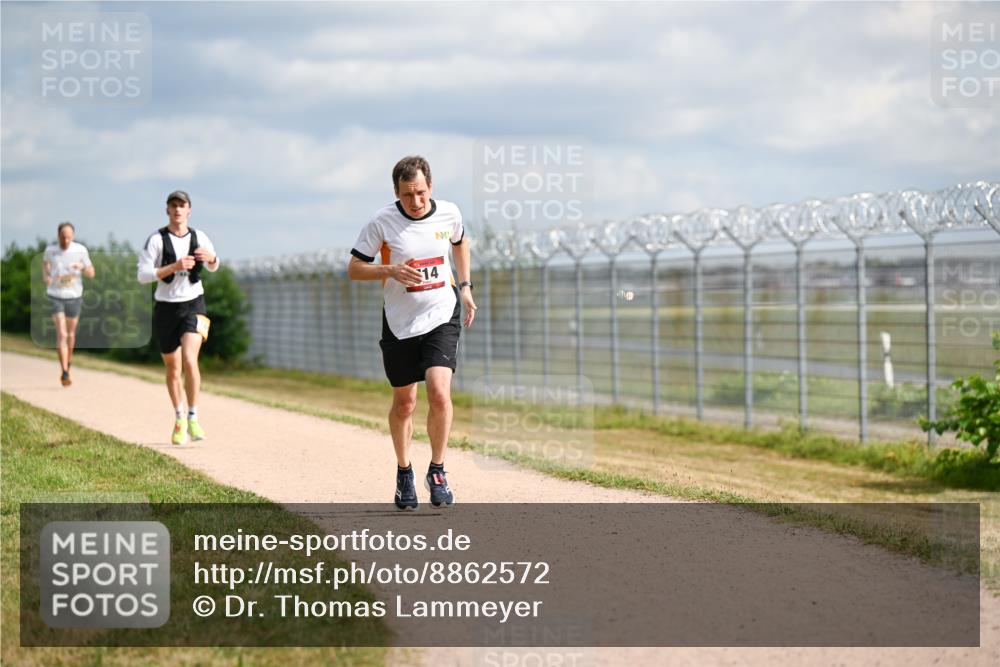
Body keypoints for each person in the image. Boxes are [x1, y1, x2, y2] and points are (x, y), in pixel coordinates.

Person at [348, 156, 476, 509]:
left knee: (439, 392)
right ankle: (404, 471)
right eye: (407, 195)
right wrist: (389, 270)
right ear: (396, 193)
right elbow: (355, 268)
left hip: (442, 313)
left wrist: (465, 286)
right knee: (405, 403)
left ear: (430, 186)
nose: (415, 201)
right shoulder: (382, 222)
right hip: (400, 322)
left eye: (420, 192)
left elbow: (460, 242)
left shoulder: (449, 213)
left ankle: (438, 470)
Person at [136, 190, 220, 445]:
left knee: (190, 360)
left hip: (194, 303)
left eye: (182, 205)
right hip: (166, 308)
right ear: (167, 210)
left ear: (189, 210)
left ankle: (194, 416)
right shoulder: (156, 240)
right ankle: (179, 416)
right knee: (173, 368)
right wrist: (174, 266)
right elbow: (142, 276)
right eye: (173, 205)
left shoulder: (200, 236)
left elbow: (214, 264)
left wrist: (212, 259)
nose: (177, 209)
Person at [43, 222, 95, 386]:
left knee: (71, 334)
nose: (65, 240)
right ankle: (64, 371)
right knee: (62, 333)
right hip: (55, 295)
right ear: (58, 236)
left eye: (68, 237)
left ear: (73, 236)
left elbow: (91, 273)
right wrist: (47, 277)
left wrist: (82, 267)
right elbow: (45, 267)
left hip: (74, 296)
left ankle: (68, 360)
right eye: (62, 237)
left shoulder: (80, 250)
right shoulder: (50, 250)